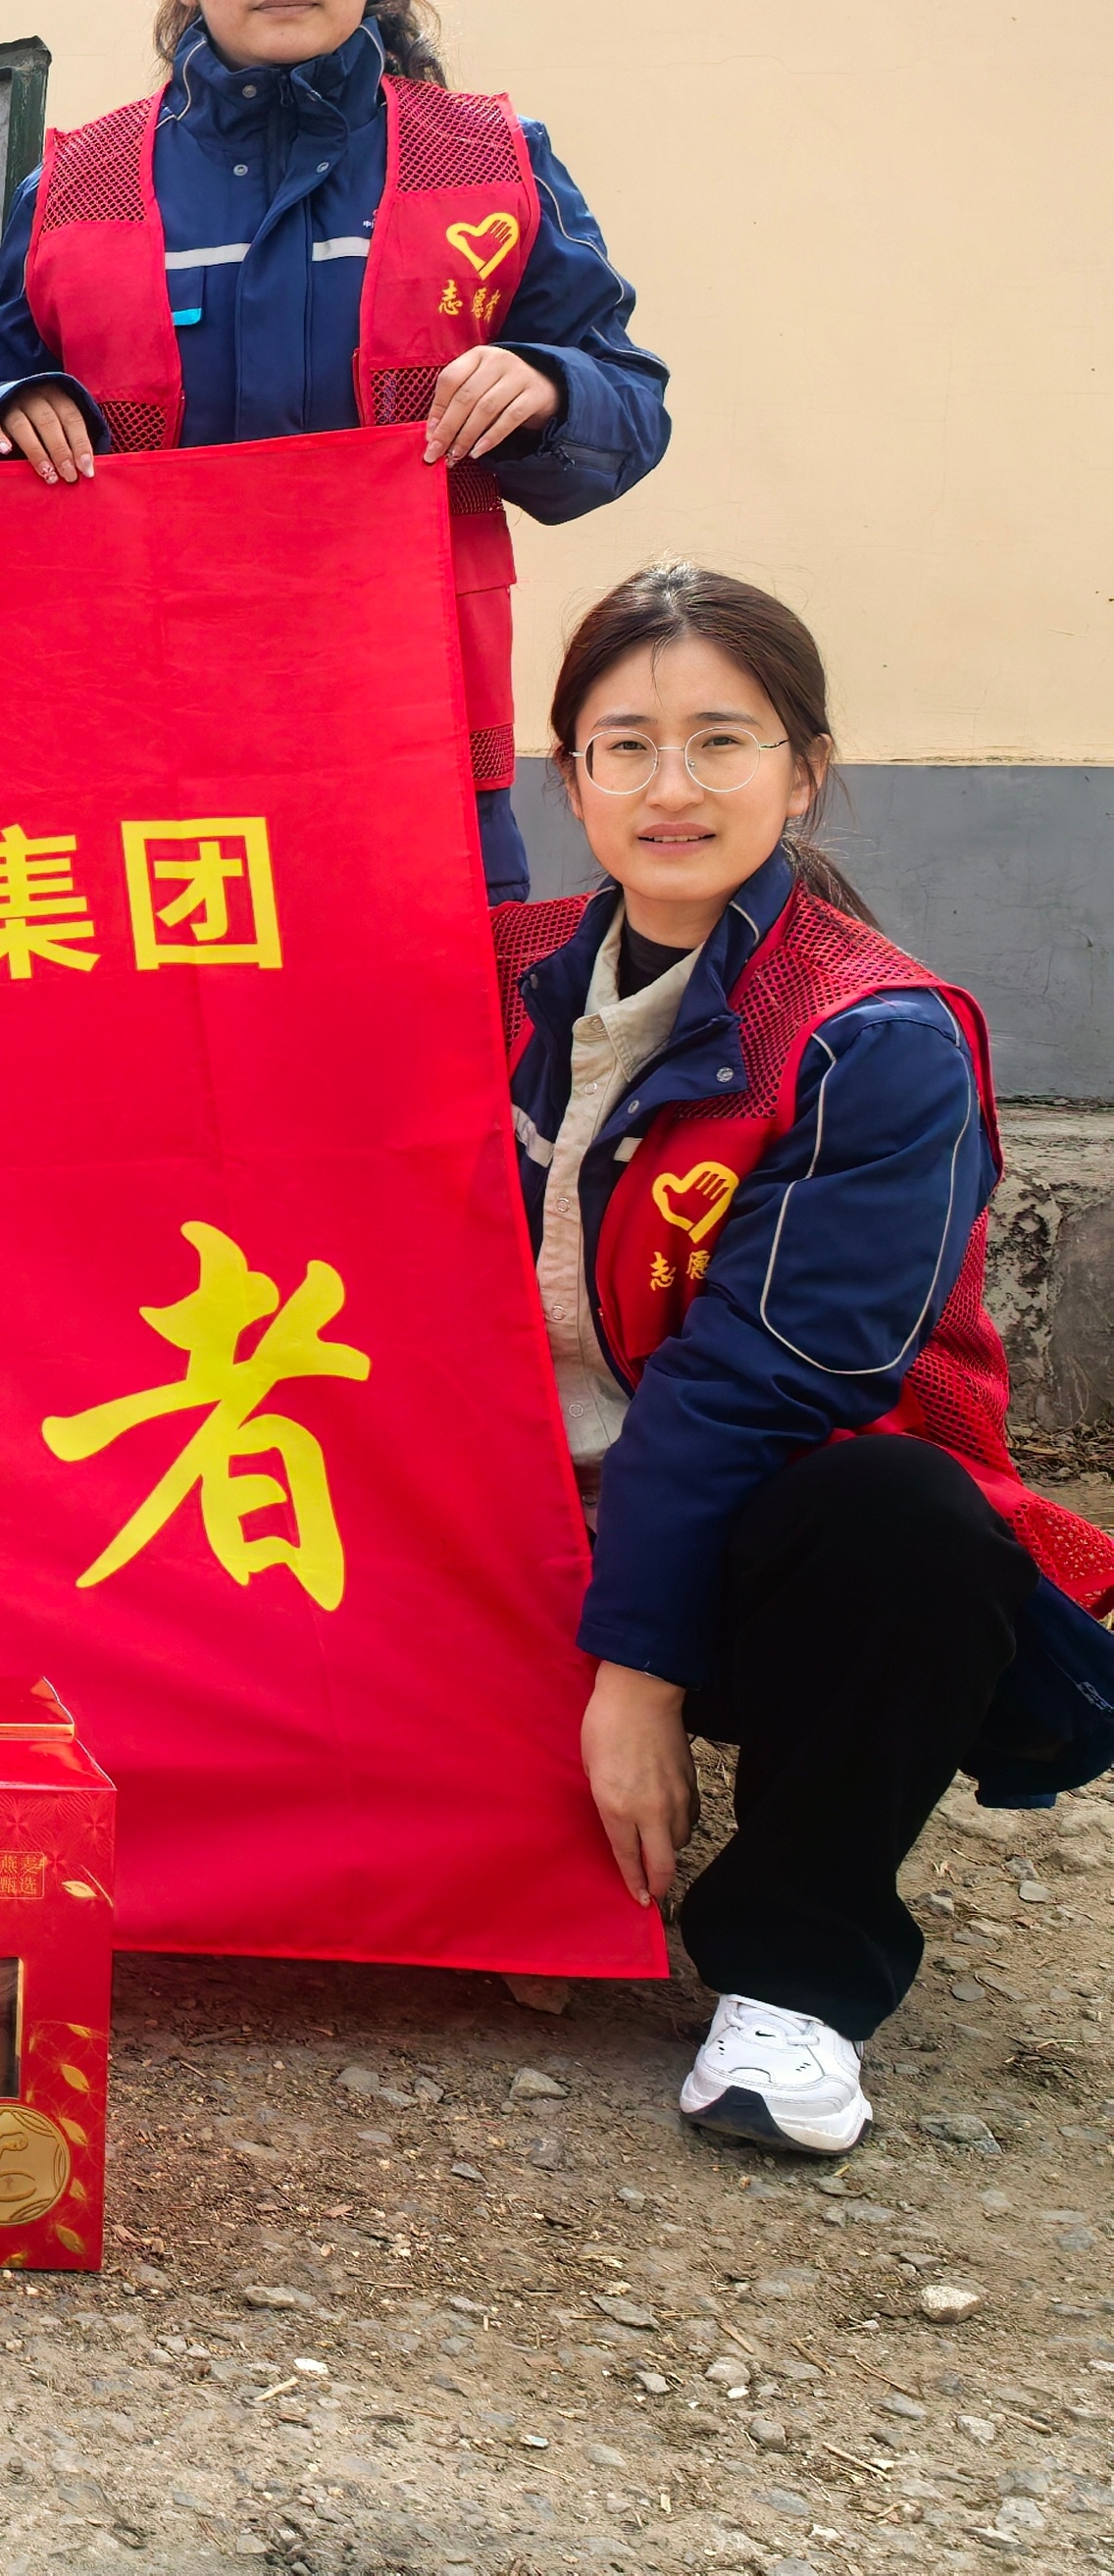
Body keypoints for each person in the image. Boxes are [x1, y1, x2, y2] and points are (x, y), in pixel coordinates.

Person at [502, 564, 1112, 2156]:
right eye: (626, 745)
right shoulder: (499, 973)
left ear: (804, 768)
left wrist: (636, 1680)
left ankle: (793, 1973)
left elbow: (752, 1387)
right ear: (571, 775)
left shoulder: (871, 1037)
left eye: (722, 740)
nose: (672, 787)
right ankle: (491, 1851)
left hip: (740, 1546)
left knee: (908, 1524)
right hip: (505, 1529)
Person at [0, 0, 669, 902]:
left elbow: (629, 402)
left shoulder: (487, 162)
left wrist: (549, 387)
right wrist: (6, 413)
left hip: (408, 723)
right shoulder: (77, 186)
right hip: (138, 735)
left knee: (414, 998)